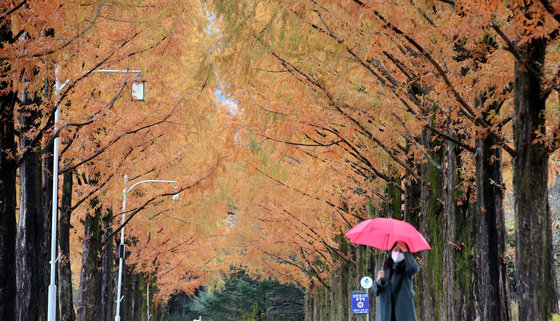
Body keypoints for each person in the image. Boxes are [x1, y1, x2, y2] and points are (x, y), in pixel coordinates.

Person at [372, 240, 420, 321]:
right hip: (386, 311)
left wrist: (405, 250)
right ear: (391, 252)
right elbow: (375, 291)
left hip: (402, 310)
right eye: (396, 250)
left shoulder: (406, 269)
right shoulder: (385, 268)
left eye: (401, 251)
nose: (398, 253)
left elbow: (414, 268)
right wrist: (378, 279)